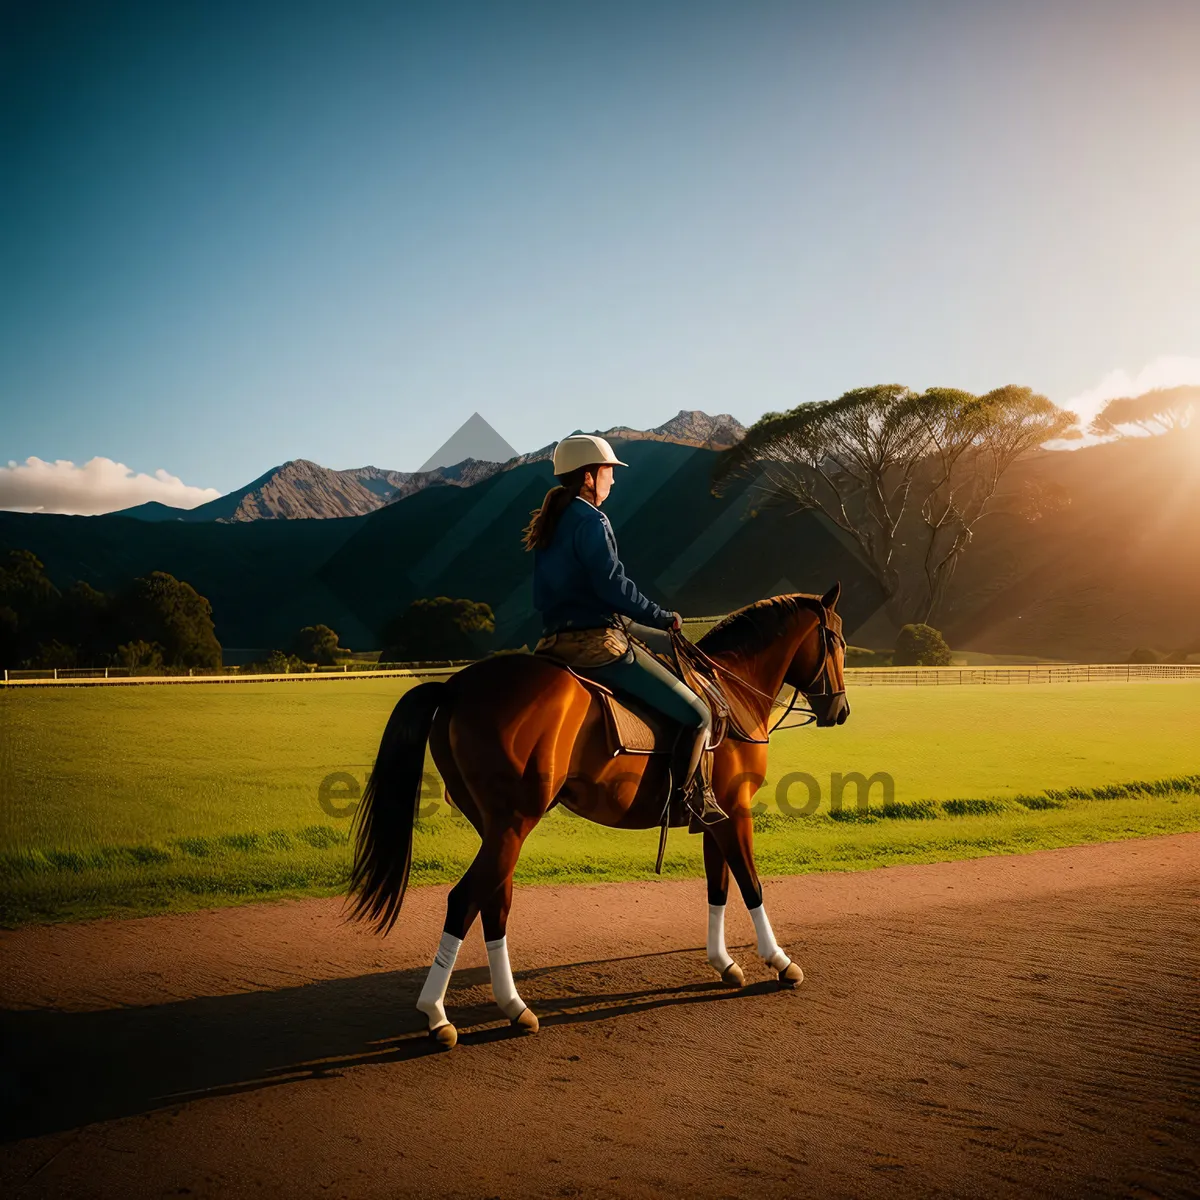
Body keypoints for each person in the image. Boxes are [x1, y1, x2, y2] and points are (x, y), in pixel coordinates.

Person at [523, 433, 723, 823]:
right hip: (597, 643)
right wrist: (661, 616)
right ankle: (688, 802)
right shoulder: (592, 519)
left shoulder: (552, 522)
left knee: (661, 643)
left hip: (552, 643)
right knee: (699, 713)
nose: (612, 480)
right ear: (587, 477)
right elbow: (612, 585)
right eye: (608, 472)